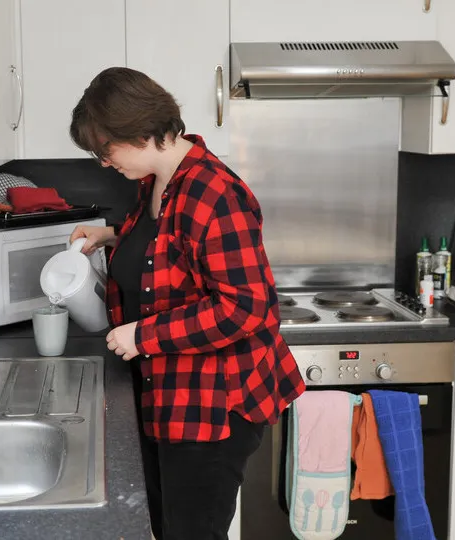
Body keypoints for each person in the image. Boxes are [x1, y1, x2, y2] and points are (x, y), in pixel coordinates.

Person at [68, 67, 305, 540]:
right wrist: (114, 235)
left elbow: (248, 307)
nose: (103, 163)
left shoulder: (215, 193)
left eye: (104, 150)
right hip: (172, 394)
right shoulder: (159, 179)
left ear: (139, 132)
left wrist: (143, 335)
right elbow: (171, 246)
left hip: (212, 406)